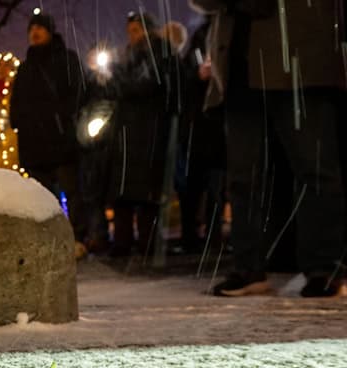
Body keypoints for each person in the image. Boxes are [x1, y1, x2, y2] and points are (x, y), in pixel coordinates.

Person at [192, 0, 345, 297]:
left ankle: (324, 268)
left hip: (298, 57)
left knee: (314, 169)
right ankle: (249, 267)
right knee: (243, 177)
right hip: (238, 65)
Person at [9, 11, 87, 250]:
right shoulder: (25, 68)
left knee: (73, 192)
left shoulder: (66, 59)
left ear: (50, 31)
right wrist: (19, 123)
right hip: (34, 144)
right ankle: (49, 240)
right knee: (41, 198)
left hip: (61, 139)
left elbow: (79, 92)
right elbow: (17, 103)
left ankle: (77, 238)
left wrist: (62, 117)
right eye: (31, 28)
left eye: (40, 28)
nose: (35, 32)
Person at [105, 11, 176, 258]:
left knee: (146, 194)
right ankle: (123, 242)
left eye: (137, 30)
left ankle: (147, 242)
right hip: (128, 134)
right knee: (123, 192)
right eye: (130, 31)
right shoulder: (129, 58)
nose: (132, 36)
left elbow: (146, 84)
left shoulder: (158, 53)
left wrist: (117, 79)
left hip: (148, 132)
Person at [175, 16, 226, 255]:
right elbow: (185, 79)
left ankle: (212, 238)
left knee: (216, 188)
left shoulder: (225, 29)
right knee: (193, 189)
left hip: (216, 129)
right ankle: (192, 236)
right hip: (200, 131)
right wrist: (198, 75)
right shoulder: (202, 36)